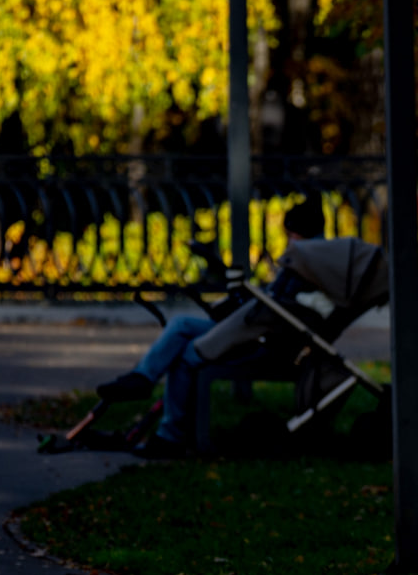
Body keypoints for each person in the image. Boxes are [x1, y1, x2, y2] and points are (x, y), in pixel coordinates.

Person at [95, 196, 328, 459]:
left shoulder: (306, 262)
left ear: (299, 233)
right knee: (181, 324)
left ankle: (168, 435)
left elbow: (284, 309)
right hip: (257, 330)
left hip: (265, 341)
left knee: (185, 354)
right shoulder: (311, 261)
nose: (287, 241)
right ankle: (143, 379)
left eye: (290, 234)